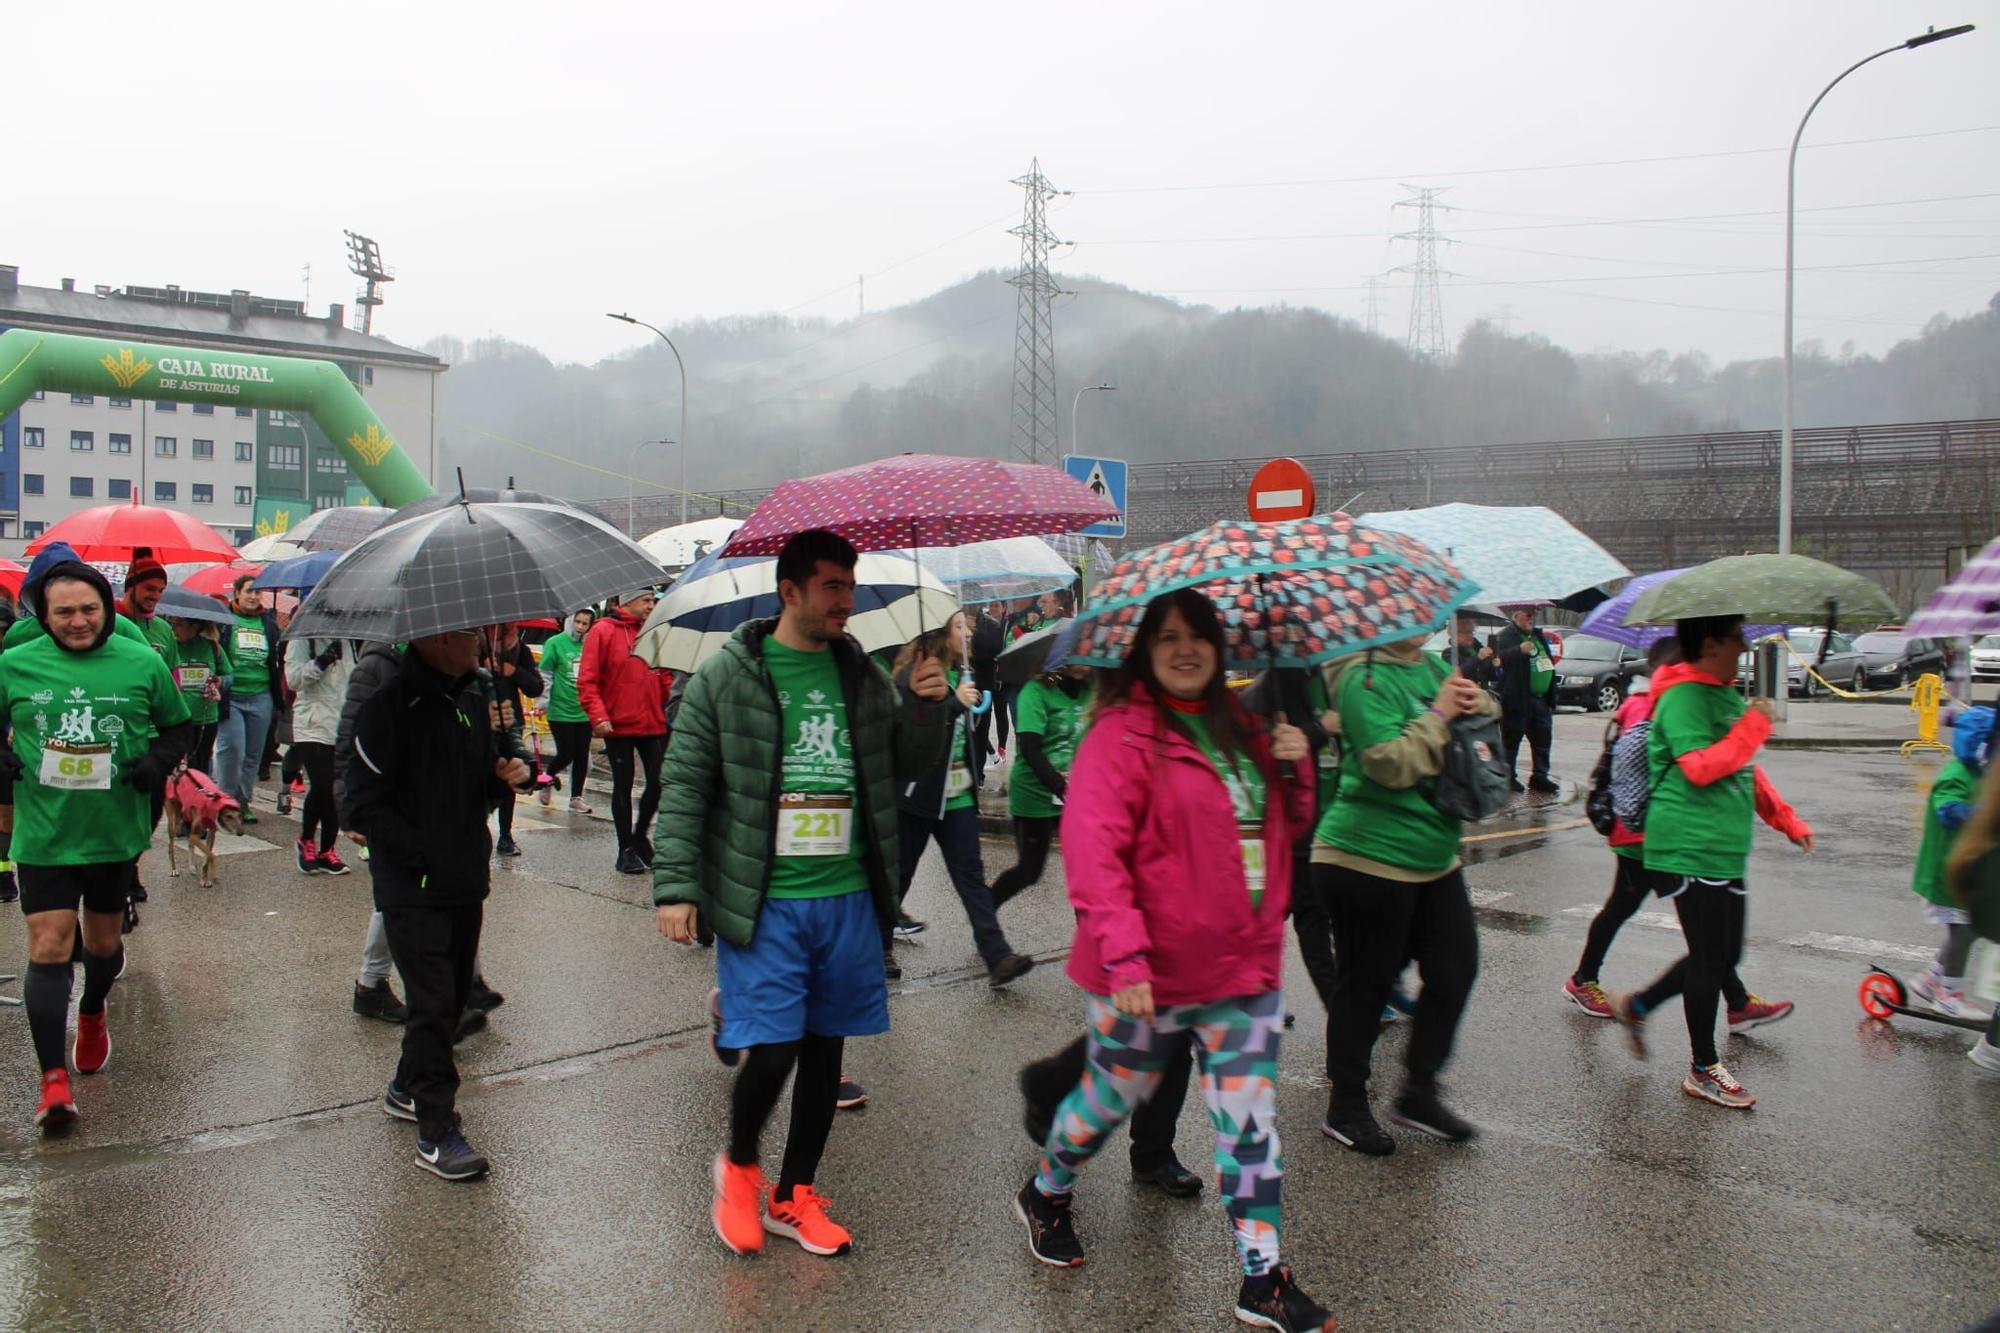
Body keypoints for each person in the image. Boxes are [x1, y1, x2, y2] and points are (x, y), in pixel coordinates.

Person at [1013, 588, 1334, 1330]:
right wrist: (1124, 961)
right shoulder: (1119, 735)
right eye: (1168, 637)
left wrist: (1296, 769)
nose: (1185, 649)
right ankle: (1048, 1187)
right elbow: (1095, 856)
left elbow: (1281, 834)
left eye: (1198, 636)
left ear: (1220, 646)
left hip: (1241, 969)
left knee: (1250, 1130)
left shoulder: (1248, 727)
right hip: (1145, 976)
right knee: (1101, 1108)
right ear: (1144, 651)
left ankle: (1264, 1278)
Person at [653, 529, 951, 1258]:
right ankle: (740, 1166)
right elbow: (686, 782)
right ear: (790, 591)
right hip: (766, 898)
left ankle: (793, 1192)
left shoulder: (860, 673)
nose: (845, 601)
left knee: (826, 1051)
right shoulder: (730, 676)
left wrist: (925, 705)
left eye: (850, 586)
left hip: (848, 893)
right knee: (777, 1047)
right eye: (832, 587)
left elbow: (904, 766)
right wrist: (676, 886)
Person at [3, 559, 191, 1132]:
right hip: (44, 831)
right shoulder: (13, 663)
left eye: (88, 609)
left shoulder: (141, 662)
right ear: (45, 615)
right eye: (64, 611)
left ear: (106, 608)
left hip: (113, 832)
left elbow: (177, 726)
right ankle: (52, 1083)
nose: (78, 621)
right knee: (50, 944)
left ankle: (92, 1010)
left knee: (102, 947)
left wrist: (158, 761)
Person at [345, 627, 532, 1180]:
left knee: (451, 999)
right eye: (467, 633)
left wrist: (511, 773)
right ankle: (436, 1128)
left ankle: (407, 1085)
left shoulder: (476, 695)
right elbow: (361, 804)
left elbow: (491, 771)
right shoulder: (388, 706)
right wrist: (421, 854)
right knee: (430, 1002)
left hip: (465, 873)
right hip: (411, 883)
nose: (478, 640)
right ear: (436, 638)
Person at [1611, 615, 1814, 1110]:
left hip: (1724, 845)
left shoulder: (1723, 693)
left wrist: (1785, 819)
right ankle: (1703, 1068)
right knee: (1708, 959)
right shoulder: (1680, 696)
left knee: (1725, 957)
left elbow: (1745, 766)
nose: (1744, 644)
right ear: (1710, 643)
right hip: (1685, 843)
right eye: (1735, 635)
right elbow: (1701, 767)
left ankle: (1638, 1005)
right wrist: (1756, 724)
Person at [1314, 633, 1501, 1156]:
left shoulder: (1436, 666)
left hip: (1434, 856)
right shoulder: (1358, 674)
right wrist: (1440, 714)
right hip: (1365, 854)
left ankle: (1420, 1090)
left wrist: (1479, 701)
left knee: (1456, 968)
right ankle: (1346, 1104)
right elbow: (1388, 762)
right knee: (1366, 983)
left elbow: (1485, 718)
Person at [1565, 637, 1801, 1027]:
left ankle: (1735, 1000)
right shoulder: (1655, 706)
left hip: (1661, 837)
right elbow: (1668, 770)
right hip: (1644, 836)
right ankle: (1586, 981)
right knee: (1651, 917)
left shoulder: (1671, 701)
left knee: (1701, 935)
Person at [889, 614, 1034, 987]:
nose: (968, 632)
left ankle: (997, 955)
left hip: (956, 797)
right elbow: (914, 730)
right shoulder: (915, 675)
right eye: (959, 627)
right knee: (901, 873)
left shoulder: (960, 674)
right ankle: (877, 946)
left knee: (971, 876)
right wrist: (953, 704)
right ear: (938, 632)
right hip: (918, 795)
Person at [1909, 706, 1995, 1022]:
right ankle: (1949, 995)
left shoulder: (1978, 774)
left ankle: (1931, 980)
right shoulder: (1957, 774)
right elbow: (1948, 811)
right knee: (1965, 929)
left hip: (1960, 872)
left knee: (1967, 929)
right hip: (1944, 874)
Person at [578, 588, 669, 875]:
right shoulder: (602, 631)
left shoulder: (652, 631)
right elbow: (588, 679)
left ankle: (640, 835)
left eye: (653, 601)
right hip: (617, 723)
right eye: (646, 600)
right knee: (623, 784)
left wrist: (673, 699)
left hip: (651, 720)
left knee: (659, 781)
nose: (651, 606)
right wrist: (598, 716)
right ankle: (625, 850)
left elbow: (663, 672)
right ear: (626, 601)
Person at [989, 662, 1089, 910]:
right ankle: (985, 912)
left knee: (1087, 871)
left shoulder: (1092, 690)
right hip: (1035, 794)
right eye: (1073, 656)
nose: (1081, 662)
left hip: (1075, 795)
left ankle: (1092, 937)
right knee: (1029, 872)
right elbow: (1031, 748)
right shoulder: (1035, 691)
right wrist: (1059, 785)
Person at [212, 575, 284, 823]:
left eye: (257, 592)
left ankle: (243, 802)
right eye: (249, 592)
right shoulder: (224, 621)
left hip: (261, 695)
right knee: (232, 750)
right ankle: (225, 801)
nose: (253, 597)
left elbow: (277, 658)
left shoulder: (269, 623)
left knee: (253, 754)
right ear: (237, 594)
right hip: (231, 696)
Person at [283, 633, 356, 876]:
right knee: (322, 784)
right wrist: (321, 662)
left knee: (336, 789)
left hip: (341, 722)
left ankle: (327, 851)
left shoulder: (348, 639)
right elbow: (293, 680)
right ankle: (306, 840)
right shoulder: (304, 637)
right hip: (312, 723)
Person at [481, 625, 545, 857]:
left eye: (511, 627)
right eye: (503, 627)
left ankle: (506, 835)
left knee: (511, 778)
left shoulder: (521, 651)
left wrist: (513, 671)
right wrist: (482, 669)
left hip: (511, 724)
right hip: (481, 720)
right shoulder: (477, 648)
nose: (508, 630)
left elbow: (535, 687)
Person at [1491, 605, 1559, 794]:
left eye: (1534, 615)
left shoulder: (1537, 635)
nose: (1532, 618)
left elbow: (1547, 661)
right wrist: (1518, 650)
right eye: (1529, 615)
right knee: (1512, 739)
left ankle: (1540, 776)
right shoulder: (1506, 636)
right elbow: (1497, 660)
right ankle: (1508, 777)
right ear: (1516, 615)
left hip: (1541, 699)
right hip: (1518, 698)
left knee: (1543, 740)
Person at [536, 609, 596, 813]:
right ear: (570, 621)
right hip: (559, 709)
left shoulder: (591, 645)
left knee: (581, 755)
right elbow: (545, 673)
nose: (580, 627)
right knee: (567, 752)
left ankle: (576, 797)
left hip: (584, 710)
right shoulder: (555, 643)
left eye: (585, 623)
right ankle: (546, 779)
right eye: (577, 622)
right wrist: (543, 701)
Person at [166, 617, 230, 774]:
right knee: (176, 766)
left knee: (200, 766)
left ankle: (199, 797)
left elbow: (230, 676)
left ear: (195, 627)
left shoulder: (213, 647)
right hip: (177, 719)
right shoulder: (169, 647)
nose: (174, 628)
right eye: (172, 623)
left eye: (179, 624)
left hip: (206, 719)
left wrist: (218, 682)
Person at [969, 601, 1007, 769]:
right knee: (966, 730)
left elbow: (996, 651)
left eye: (972, 604)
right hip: (964, 683)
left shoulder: (992, 625)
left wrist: (973, 633)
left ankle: (979, 774)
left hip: (984, 683)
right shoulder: (957, 623)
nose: (968, 607)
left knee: (981, 729)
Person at [1441, 620, 1494, 689]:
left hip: (1482, 693)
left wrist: (1494, 663)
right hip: (1464, 693)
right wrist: (1477, 658)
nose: (1469, 635)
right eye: (1465, 633)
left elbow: (1492, 676)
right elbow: (1459, 672)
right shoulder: (1449, 653)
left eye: (1471, 632)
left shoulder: (1478, 649)